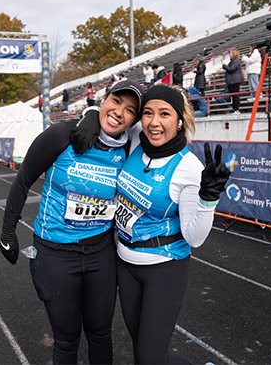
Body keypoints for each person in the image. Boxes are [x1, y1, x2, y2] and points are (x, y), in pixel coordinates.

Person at [71, 84, 231, 364]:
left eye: (165, 114)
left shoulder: (189, 167)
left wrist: (208, 198)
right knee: (146, 350)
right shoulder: (136, 140)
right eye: (148, 113)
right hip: (125, 262)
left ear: (180, 121)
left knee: (149, 357)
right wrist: (89, 114)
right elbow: (113, 115)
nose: (154, 122)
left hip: (164, 268)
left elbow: (195, 238)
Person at [0, 79, 144, 365]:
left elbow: (161, 126)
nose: (119, 112)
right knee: (66, 341)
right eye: (116, 101)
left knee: (101, 335)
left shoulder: (130, 146)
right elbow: (23, 180)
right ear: (104, 99)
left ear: (133, 121)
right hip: (55, 253)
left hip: (100, 254)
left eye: (129, 110)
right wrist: (8, 230)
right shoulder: (62, 135)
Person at [222, 49, 244, 114]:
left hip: (235, 81)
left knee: (236, 95)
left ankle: (236, 109)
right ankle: (234, 108)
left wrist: (224, 66)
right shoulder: (233, 61)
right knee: (233, 96)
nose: (230, 55)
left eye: (231, 53)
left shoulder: (236, 61)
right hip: (232, 81)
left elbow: (231, 69)